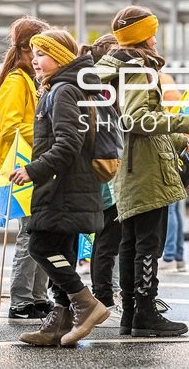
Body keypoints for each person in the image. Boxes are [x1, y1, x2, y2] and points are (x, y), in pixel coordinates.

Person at [96, 6, 189, 337]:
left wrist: (175, 137)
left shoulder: (112, 67)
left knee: (130, 241)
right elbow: (137, 118)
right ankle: (145, 310)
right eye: (152, 32)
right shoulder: (137, 68)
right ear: (145, 36)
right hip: (143, 165)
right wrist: (186, 121)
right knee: (148, 243)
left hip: (125, 162)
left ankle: (131, 314)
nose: (156, 39)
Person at [10, 30, 108, 347]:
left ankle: (85, 303)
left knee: (41, 247)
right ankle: (59, 320)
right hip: (68, 187)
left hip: (62, 189)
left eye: (41, 54)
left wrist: (31, 170)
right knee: (61, 251)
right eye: (34, 53)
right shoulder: (65, 88)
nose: (34, 60)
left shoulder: (64, 91)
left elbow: (67, 145)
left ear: (60, 57)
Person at [0, 16, 52, 320]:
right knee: (30, 231)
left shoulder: (28, 80)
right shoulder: (16, 80)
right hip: (21, 161)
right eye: (40, 49)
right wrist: (44, 135)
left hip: (31, 158)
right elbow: (13, 126)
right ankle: (22, 298)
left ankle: (36, 295)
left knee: (39, 230)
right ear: (29, 48)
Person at [80, 33, 123, 310]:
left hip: (104, 173)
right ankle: (104, 296)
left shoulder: (96, 84)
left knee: (106, 241)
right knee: (108, 240)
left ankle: (105, 293)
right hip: (108, 175)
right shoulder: (104, 88)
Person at [159, 71, 187, 273]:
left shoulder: (159, 81)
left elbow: (169, 116)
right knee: (175, 205)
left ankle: (169, 255)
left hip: (168, 145)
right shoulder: (166, 79)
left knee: (170, 206)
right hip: (175, 144)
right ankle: (176, 255)